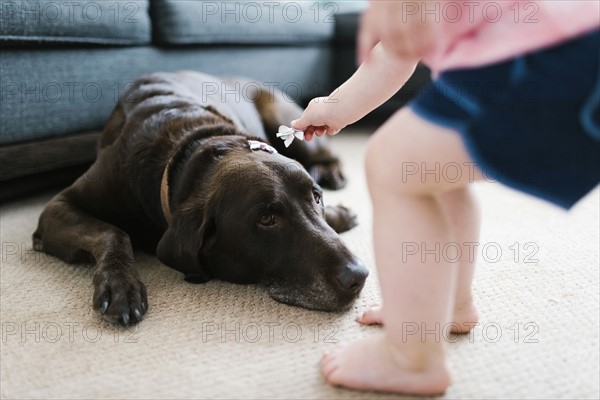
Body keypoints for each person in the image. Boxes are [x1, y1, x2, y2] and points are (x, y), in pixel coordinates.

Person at [290, 1, 600, 395]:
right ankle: (450, 305)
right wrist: (334, 107)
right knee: (437, 174)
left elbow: (394, 48)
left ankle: (409, 358)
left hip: (547, 55)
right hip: (576, 46)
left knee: (394, 165)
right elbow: (395, 52)